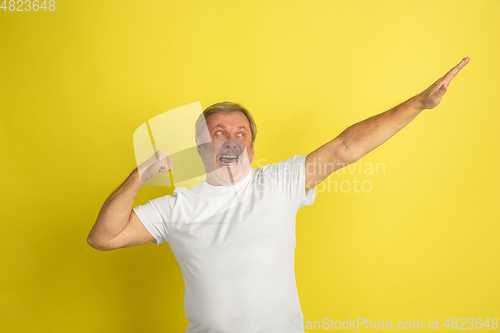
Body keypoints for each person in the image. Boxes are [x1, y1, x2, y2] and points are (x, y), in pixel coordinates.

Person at [87, 57, 470, 332]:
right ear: (200, 144)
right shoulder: (177, 207)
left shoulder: (280, 182)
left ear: (252, 147)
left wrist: (418, 104)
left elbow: (346, 147)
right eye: (219, 132)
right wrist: (139, 175)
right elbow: (103, 237)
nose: (231, 140)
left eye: (241, 133)